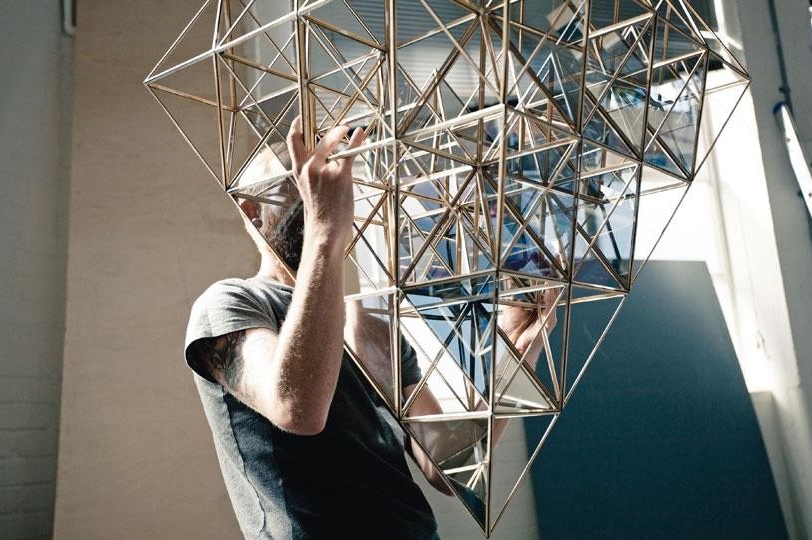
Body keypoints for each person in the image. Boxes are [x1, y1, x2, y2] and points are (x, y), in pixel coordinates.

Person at [183, 118, 557, 539]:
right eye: (296, 179)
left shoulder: (368, 329)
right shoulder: (229, 302)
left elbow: (451, 467)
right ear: (251, 211)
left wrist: (518, 353)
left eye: (323, 174)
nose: (314, 187)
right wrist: (326, 228)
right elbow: (297, 408)